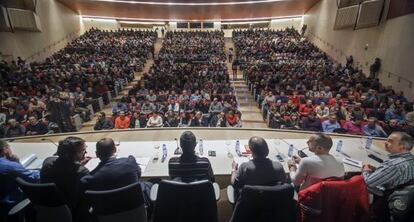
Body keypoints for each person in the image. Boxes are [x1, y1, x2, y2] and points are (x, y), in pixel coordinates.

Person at [81, 138, 152, 214]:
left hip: (107, 215)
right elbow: (138, 175)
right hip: (137, 213)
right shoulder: (130, 162)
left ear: (97, 154)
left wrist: (79, 165)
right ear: (115, 149)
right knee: (150, 183)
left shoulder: (89, 179)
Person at [362, 132, 414, 221]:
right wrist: (377, 171)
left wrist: (365, 170)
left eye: (390, 141)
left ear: (402, 146)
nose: (385, 143)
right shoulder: (411, 158)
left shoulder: (393, 165)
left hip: (388, 204)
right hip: (408, 202)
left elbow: (368, 183)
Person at [41, 137, 91, 222]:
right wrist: (79, 166)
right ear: (68, 155)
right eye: (82, 150)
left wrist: (77, 164)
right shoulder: (82, 172)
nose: (85, 152)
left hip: (47, 207)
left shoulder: (47, 161)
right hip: (72, 210)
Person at [0, 140, 40, 217]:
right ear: (5, 150)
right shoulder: (9, 165)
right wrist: (45, 170)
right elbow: (33, 178)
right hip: (11, 204)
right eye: (9, 147)